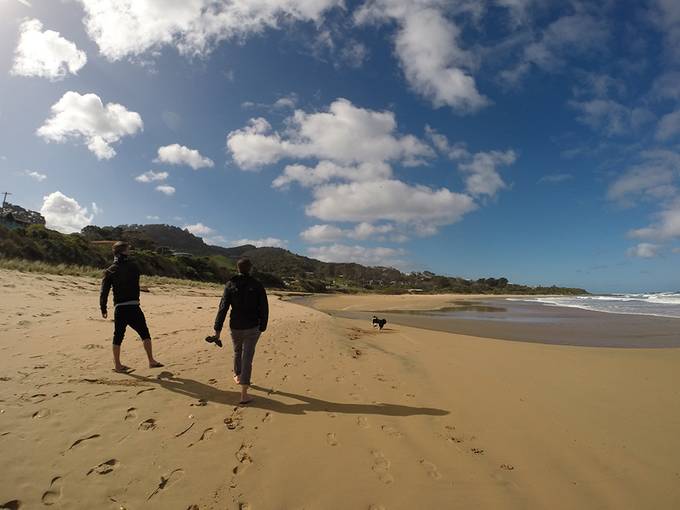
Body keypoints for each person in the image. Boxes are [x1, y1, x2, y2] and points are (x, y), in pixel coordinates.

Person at [212, 257, 268, 404]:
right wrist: (263, 326)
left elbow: (223, 308)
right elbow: (264, 307)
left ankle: (237, 375)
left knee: (238, 351)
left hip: (235, 325)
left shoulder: (230, 284)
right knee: (247, 356)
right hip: (252, 326)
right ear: (250, 269)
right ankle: (244, 394)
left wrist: (217, 330)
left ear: (237, 268)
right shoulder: (257, 285)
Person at [100, 241, 163, 373]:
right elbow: (134, 278)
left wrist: (103, 308)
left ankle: (117, 365)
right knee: (145, 334)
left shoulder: (109, 271)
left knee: (118, 336)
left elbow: (104, 292)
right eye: (128, 250)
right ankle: (151, 361)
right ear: (123, 252)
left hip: (120, 309)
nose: (130, 252)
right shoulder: (133, 266)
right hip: (133, 307)